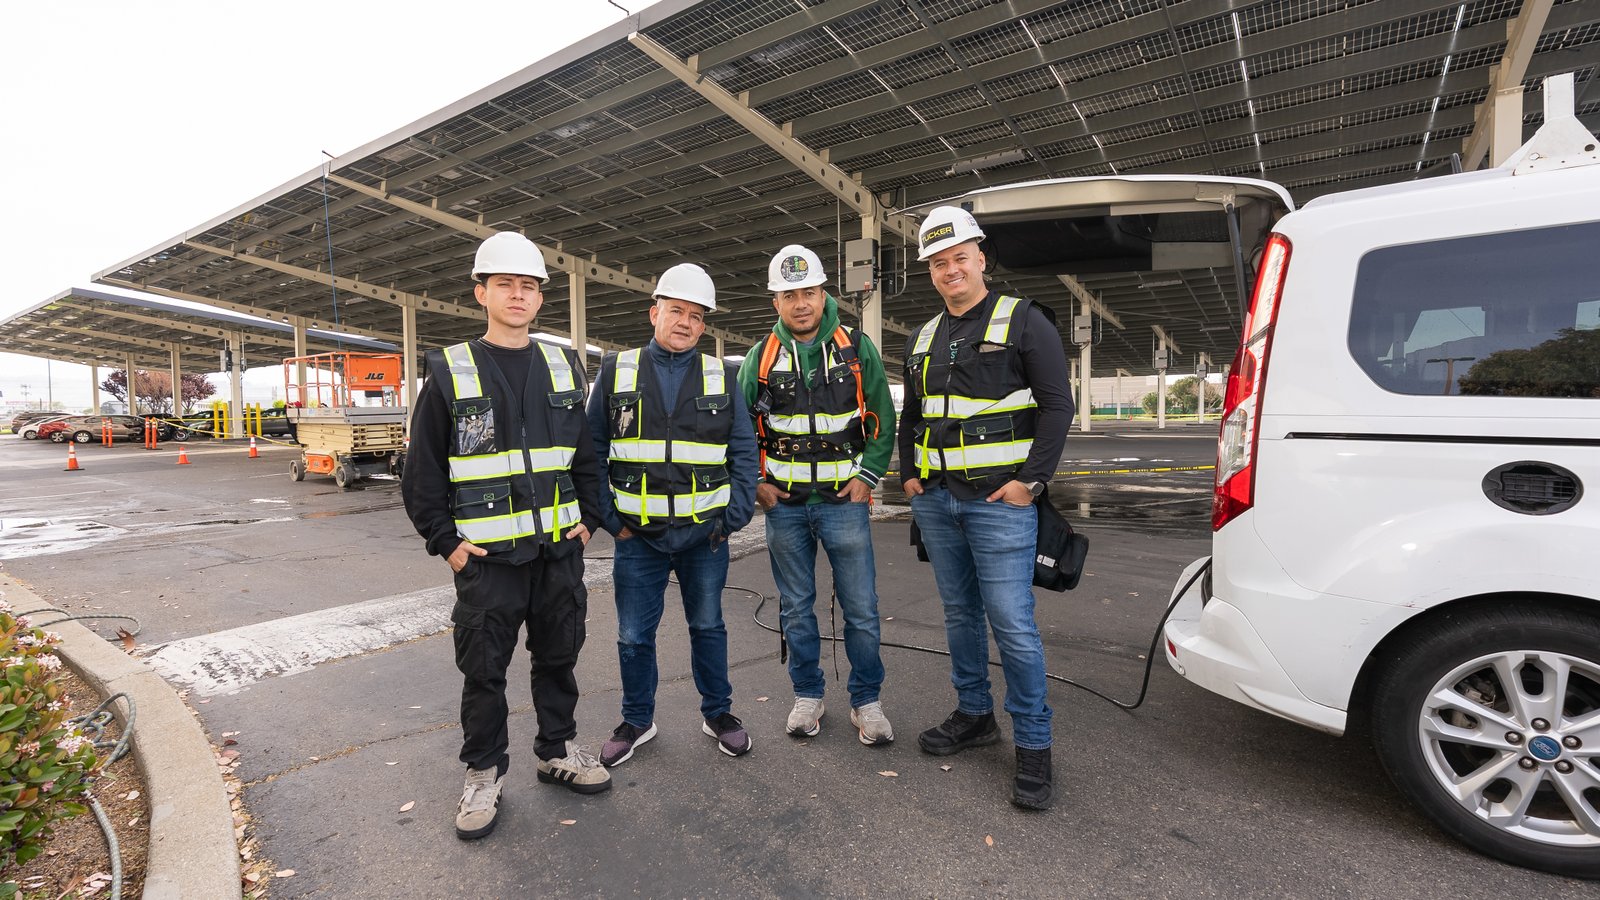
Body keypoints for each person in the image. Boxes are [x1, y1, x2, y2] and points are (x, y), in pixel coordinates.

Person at [402, 231, 610, 841]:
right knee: (484, 673)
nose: (518, 296)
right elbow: (422, 471)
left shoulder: (564, 363)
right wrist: (447, 543)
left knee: (558, 659)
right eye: (505, 285)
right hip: (487, 560)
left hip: (556, 553)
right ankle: (483, 773)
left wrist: (589, 518)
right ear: (481, 292)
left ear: (541, 297)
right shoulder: (451, 370)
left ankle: (557, 751)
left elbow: (587, 456)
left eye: (528, 286)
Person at [899, 207, 1074, 810]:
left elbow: (1057, 406)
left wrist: (1033, 483)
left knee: (1012, 624)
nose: (950, 270)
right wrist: (911, 475)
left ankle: (1034, 744)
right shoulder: (923, 337)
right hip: (939, 502)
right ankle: (974, 715)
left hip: (1001, 502)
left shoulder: (1023, 320)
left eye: (959, 258)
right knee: (960, 617)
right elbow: (912, 417)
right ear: (931, 271)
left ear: (980, 257)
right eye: (938, 263)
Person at [587, 263, 759, 766]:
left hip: (704, 536)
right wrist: (610, 518)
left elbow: (743, 452)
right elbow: (593, 449)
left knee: (708, 626)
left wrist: (734, 516)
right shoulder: (615, 370)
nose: (685, 322)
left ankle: (718, 713)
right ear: (654, 312)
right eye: (676, 311)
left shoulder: (723, 375)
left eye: (696, 316)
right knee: (633, 635)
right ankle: (637, 720)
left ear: (704, 326)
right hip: (636, 536)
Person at [736, 244, 896, 744]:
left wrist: (867, 476)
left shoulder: (855, 347)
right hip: (783, 508)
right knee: (795, 607)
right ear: (775, 303)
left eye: (808, 292)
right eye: (789, 295)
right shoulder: (760, 359)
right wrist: (755, 483)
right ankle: (808, 695)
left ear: (823, 293)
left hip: (843, 505)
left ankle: (866, 702)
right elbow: (739, 429)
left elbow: (883, 419)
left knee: (862, 609)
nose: (801, 303)